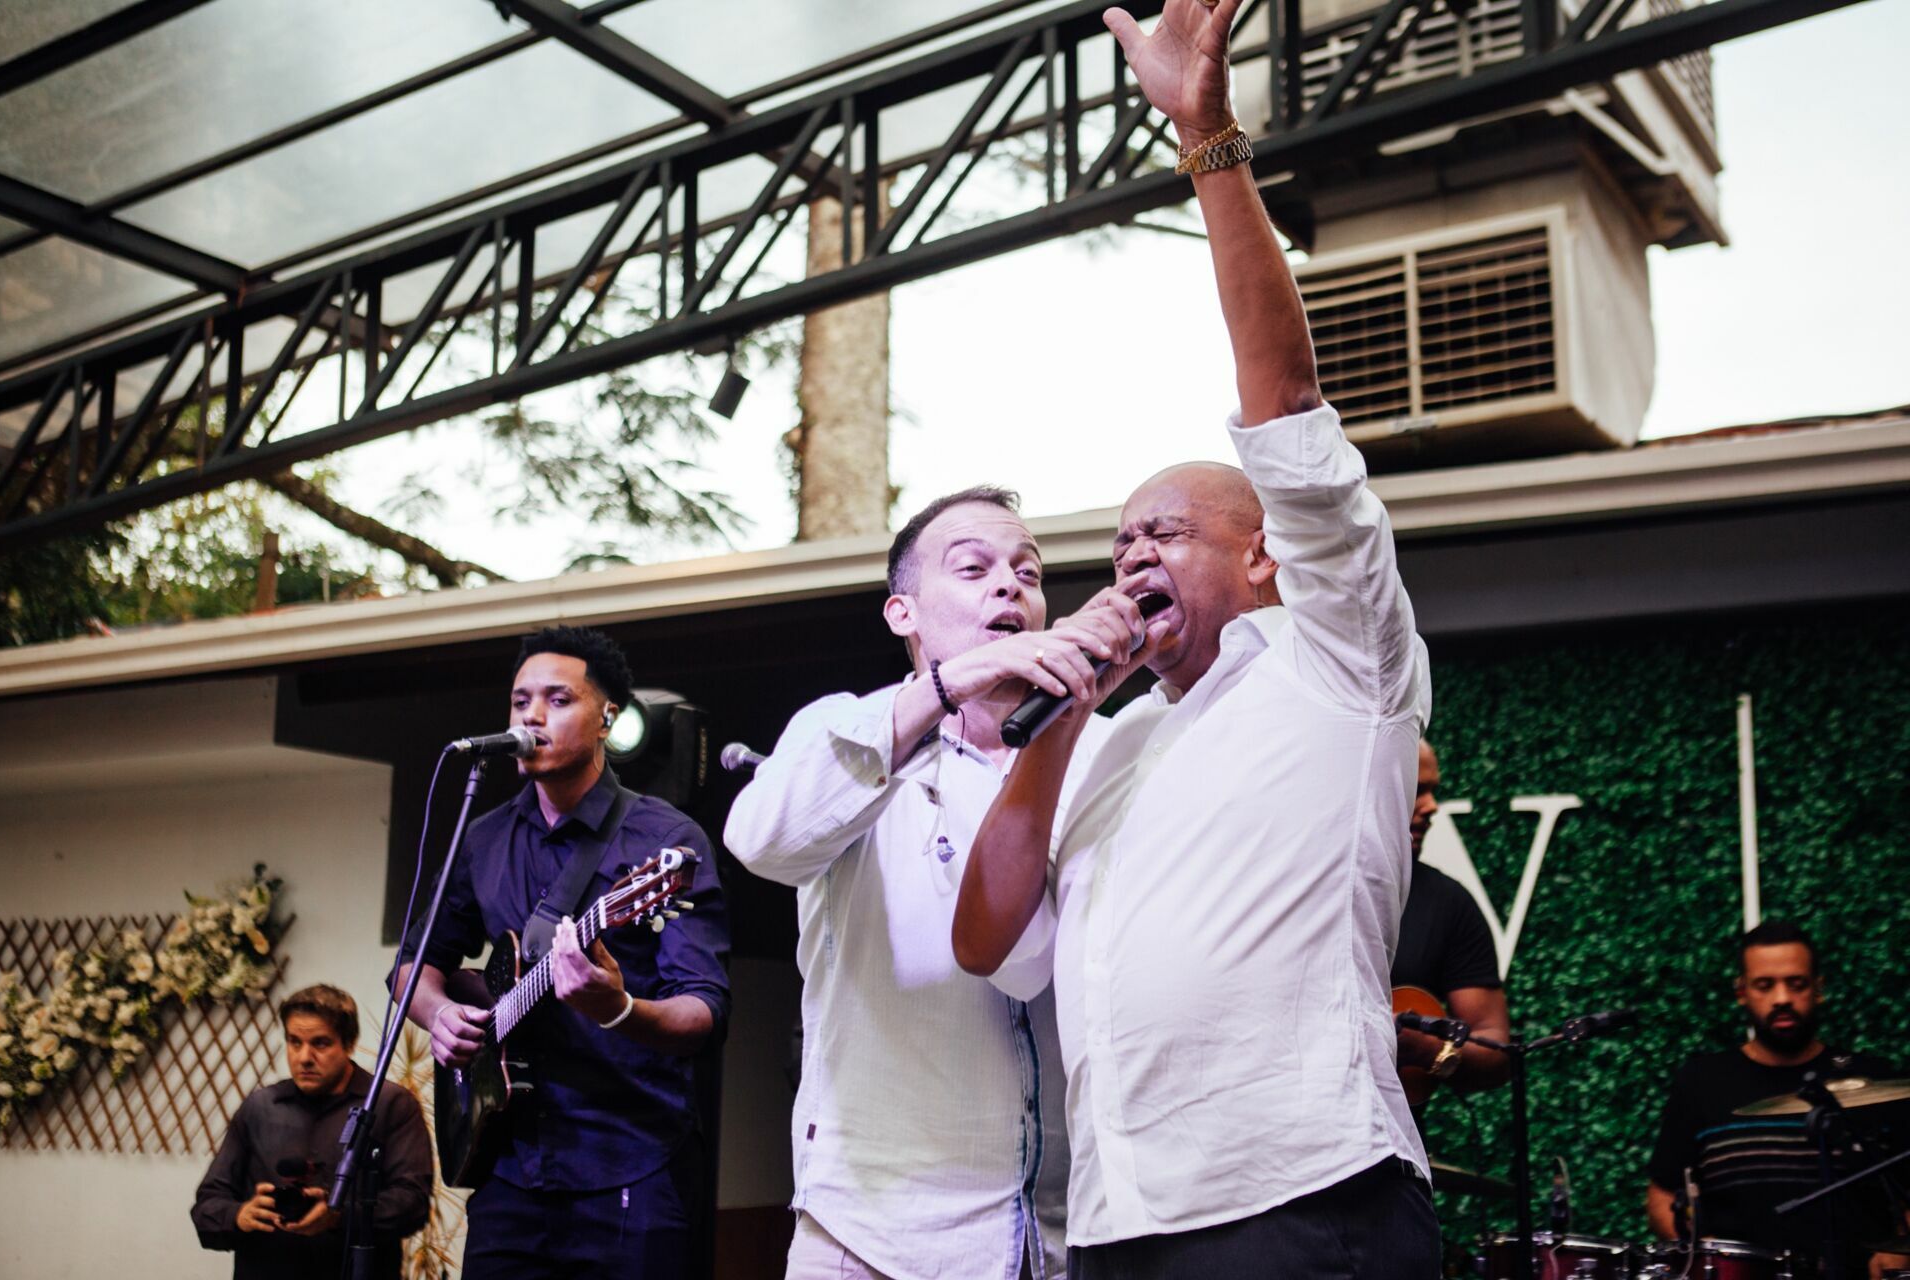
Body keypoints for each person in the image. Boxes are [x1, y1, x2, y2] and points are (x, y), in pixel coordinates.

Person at [952, 2, 1439, 1274]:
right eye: (1118, 543)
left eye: (1166, 532)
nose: (1130, 557)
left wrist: (1208, 138)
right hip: (1121, 1220)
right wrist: (1058, 719)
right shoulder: (1113, 742)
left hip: (1298, 1195)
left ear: (1263, 554)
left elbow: (1286, 411)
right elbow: (987, 939)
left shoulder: (1338, 662)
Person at [725, 485, 1137, 1280]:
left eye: (1027, 571)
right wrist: (952, 686)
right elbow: (763, 843)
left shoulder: (1101, 748)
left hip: (1065, 1236)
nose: (1009, 586)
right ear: (903, 614)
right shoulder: (845, 728)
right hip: (876, 1235)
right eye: (974, 568)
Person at [391, 625, 730, 1280]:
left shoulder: (664, 843)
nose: (532, 716)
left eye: (557, 699)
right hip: (509, 1165)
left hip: (629, 1165)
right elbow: (413, 965)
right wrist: (439, 1015)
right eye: (520, 702)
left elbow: (705, 1015)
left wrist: (619, 1007)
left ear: (607, 716)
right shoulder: (482, 838)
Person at [1645, 920, 1909, 1279]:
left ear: (1818, 989)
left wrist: (1899, 1251)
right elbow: (1661, 1198)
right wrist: (1709, 1264)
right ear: (1741, 992)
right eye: (1764, 985)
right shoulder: (1701, 1081)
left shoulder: (1873, 1080)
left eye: (1796, 984)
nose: (1782, 998)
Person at [191, 984, 432, 1279]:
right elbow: (207, 1205)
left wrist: (338, 1216)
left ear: (349, 1042)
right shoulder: (260, 1107)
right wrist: (239, 1215)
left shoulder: (389, 1104)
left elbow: (413, 1204)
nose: (304, 1057)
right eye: (294, 1042)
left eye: (320, 1043)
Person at [1393, 740, 1510, 1096]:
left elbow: (1496, 1047)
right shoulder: (1296, 887)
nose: (1431, 807)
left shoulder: (1447, 902)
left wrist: (1423, 1048)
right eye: (1416, 790)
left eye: (1433, 791)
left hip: (1396, 1141)